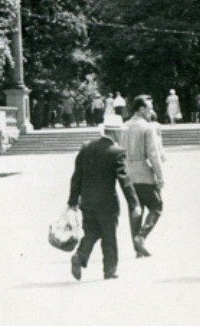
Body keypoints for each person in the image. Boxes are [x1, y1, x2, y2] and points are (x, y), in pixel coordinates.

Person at [66, 123, 141, 281]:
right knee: (109, 235)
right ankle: (110, 270)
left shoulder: (86, 147)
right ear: (115, 133)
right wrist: (134, 204)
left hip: (87, 201)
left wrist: (72, 201)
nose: (122, 135)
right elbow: (125, 181)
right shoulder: (117, 152)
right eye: (120, 132)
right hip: (108, 203)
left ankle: (80, 256)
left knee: (91, 231)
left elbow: (77, 176)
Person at [123, 96, 165, 258]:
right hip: (143, 172)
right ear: (141, 109)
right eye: (149, 107)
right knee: (156, 206)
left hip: (127, 173)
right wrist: (160, 176)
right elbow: (153, 154)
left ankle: (138, 249)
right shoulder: (147, 127)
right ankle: (141, 237)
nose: (151, 111)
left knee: (135, 209)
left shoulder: (123, 126)